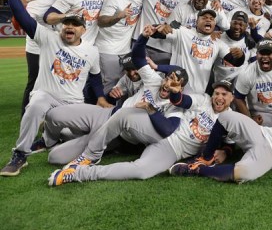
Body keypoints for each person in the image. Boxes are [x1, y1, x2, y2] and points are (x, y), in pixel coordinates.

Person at [168, 47, 272, 184]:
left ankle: (197, 169)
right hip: (262, 133)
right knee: (226, 117)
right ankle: (205, 158)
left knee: (245, 173)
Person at [1, 0, 105, 177]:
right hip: (47, 96)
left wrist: (100, 97)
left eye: (75, 25)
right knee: (37, 103)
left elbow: (95, 77)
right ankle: (20, 154)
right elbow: (22, 18)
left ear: (83, 30)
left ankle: (49, 139)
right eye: (67, 23)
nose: (70, 27)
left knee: (84, 135)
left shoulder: (92, 51)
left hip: (73, 103)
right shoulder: (48, 38)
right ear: (61, 27)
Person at [45, 25, 190, 169]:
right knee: (54, 114)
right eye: (169, 78)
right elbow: (138, 58)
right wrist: (144, 37)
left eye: (175, 84)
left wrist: (150, 108)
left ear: (181, 89)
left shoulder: (177, 104)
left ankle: (84, 143)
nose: (169, 84)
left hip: (118, 134)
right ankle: (56, 138)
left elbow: (168, 129)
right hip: (107, 114)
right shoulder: (155, 80)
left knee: (55, 156)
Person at [48, 79, 235, 186]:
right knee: (125, 115)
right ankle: (90, 155)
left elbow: (233, 143)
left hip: (172, 150)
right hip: (160, 132)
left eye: (224, 94)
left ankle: (79, 173)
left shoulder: (232, 120)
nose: (219, 97)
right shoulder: (203, 99)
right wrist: (176, 93)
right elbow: (182, 101)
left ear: (232, 97)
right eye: (217, 93)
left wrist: (225, 151)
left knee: (142, 171)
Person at [18, 0, 67, 116]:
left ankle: (51, 117)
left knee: (58, 84)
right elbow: (27, 25)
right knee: (34, 83)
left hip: (58, 48)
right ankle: (26, 117)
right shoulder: (36, 0)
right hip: (37, 50)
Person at [95, 0, 144, 93]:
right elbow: (101, 21)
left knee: (122, 85)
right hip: (107, 49)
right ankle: (102, 110)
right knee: (109, 84)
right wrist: (119, 16)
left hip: (125, 49)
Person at [233, 38, 272, 127]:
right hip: (261, 113)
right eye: (262, 53)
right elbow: (238, 98)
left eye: (269, 53)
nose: (265, 56)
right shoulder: (247, 72)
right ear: (256, 54)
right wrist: (250, 120)